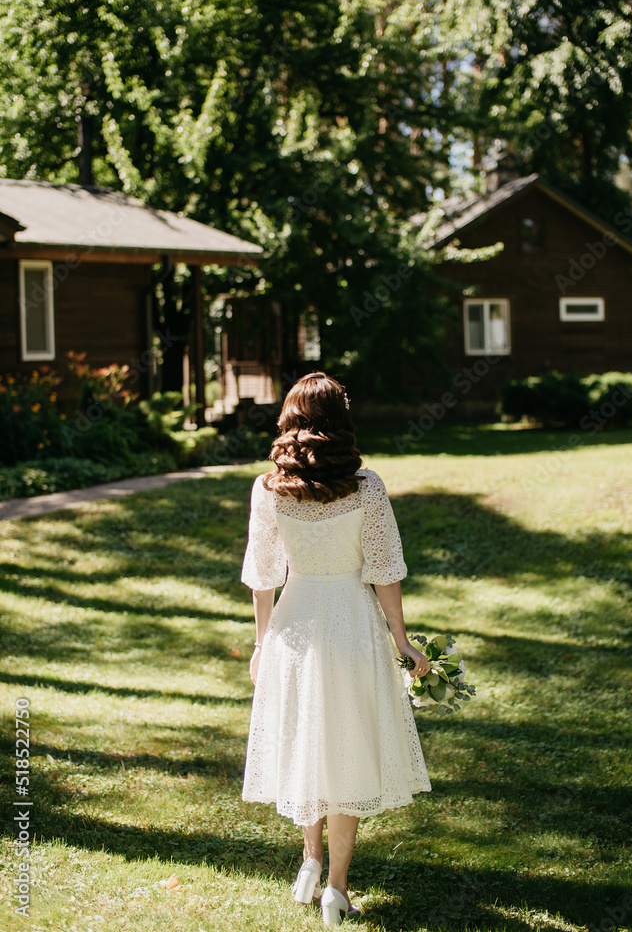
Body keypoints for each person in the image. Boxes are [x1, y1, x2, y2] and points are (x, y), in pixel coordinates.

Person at [240, 372, 432, 927]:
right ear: (339, 420)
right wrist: (401, 638)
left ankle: (310, 860)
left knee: (306, 740)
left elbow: (264, 576)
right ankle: (337, 888)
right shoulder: (366, 486)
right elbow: (384, 572)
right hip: (351, 620)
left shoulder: (267, 488)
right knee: (345, 748)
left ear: (290, 418)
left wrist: (261, 643)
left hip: (295, 623)